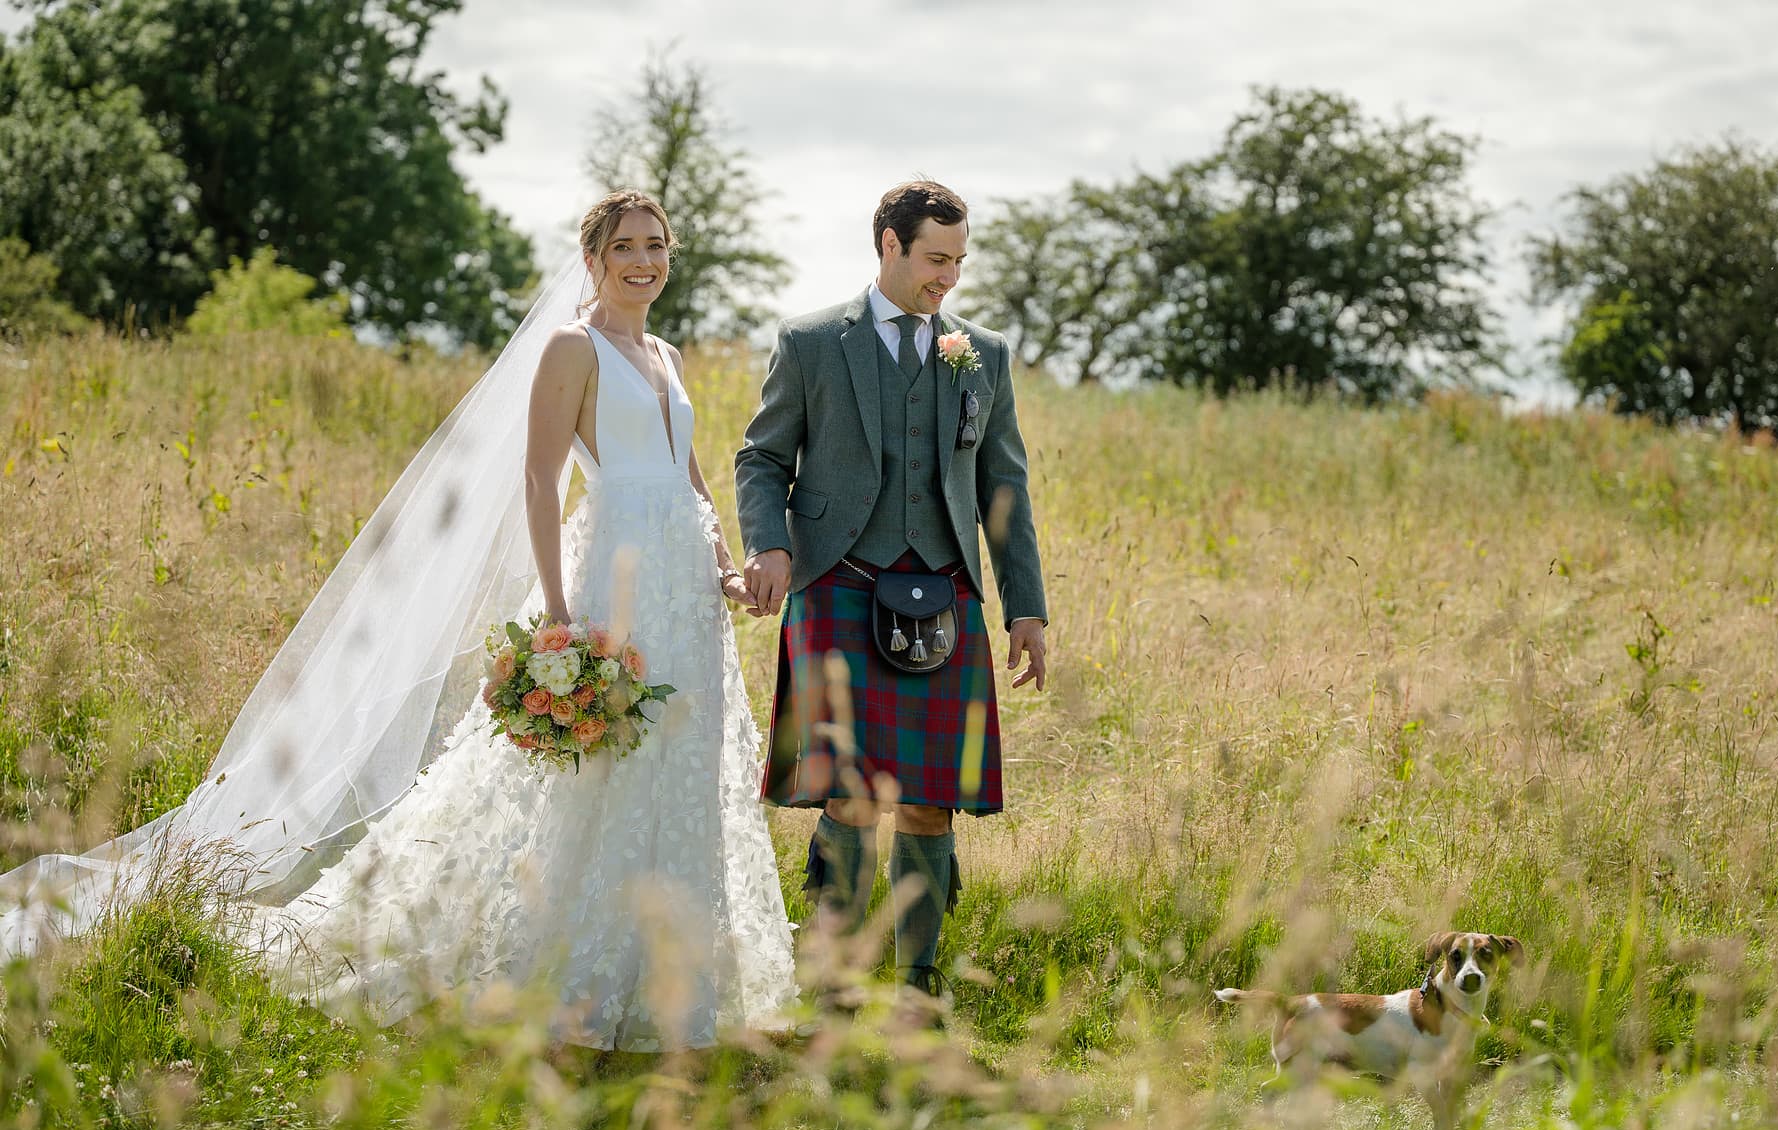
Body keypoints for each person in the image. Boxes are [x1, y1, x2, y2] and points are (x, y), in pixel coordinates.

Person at [0, 190, 796, 1052]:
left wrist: (721, 563)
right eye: (627, 247)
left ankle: (668, 984)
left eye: (657, 247)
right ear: (595, 259)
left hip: (684, 585)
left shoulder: (666, 352)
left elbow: (690, 473)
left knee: (675, 759)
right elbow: (538, 480)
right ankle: (561, 970)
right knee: (595, 771)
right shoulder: (576, 347)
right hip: (612, 574)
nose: (645, 261)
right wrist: (561, 612)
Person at [734, 180, 1048, 1003]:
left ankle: (917, 988)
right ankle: (830, 985)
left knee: (929, 801)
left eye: (958, 263)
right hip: (840, 583)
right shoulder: (810, 343)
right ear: (889, 245)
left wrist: (1026, 608)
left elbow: (1001, 483)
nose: (947, 278)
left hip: (944, 593)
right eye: (935, 260)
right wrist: (768, 546)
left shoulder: (980, 352)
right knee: (849, 792)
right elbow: (762, 458)